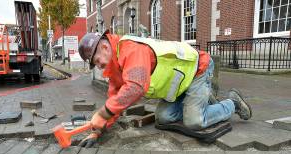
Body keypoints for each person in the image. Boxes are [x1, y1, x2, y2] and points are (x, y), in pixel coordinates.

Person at [77, 30, 252, 147]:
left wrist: (101, 114)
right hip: (179, 86)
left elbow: (135, 87)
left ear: (106, 47)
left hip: (197, 69)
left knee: (195, 121)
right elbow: (114, 100)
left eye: (97, 61)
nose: (98, 67)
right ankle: (201, 100)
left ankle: (232, 103)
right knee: (163, 117)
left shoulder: (131, 50)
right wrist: (96, 131)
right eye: (95, 65)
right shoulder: (115, 68)